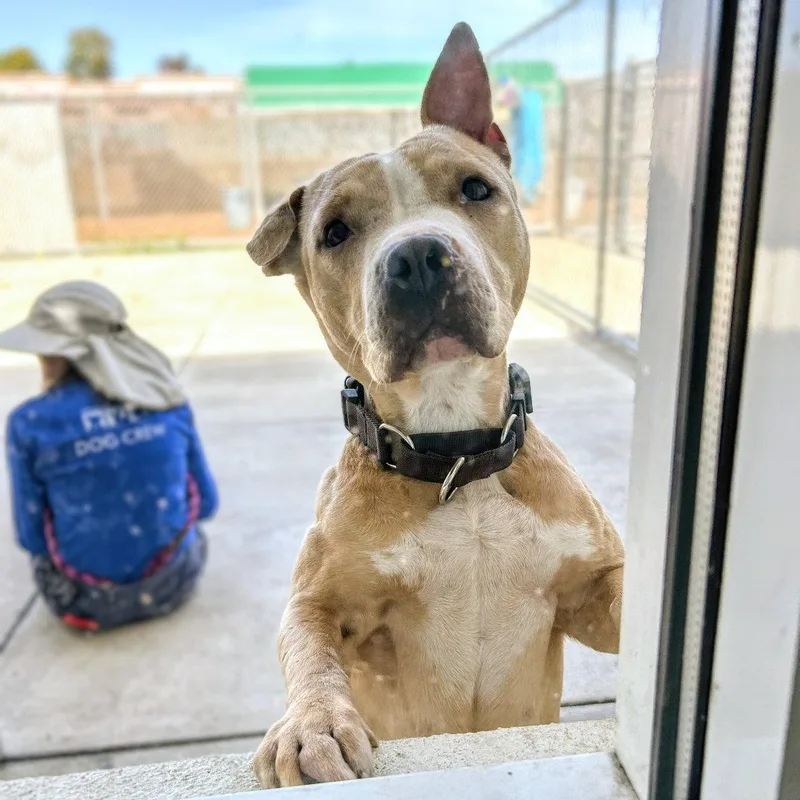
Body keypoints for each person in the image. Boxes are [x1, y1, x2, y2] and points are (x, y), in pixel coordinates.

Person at [1, 281, 218, 632]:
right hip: (173, 585)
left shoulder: (29, 422)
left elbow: (32, 538)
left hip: (82, 601)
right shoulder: (168, 402)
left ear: (52, 355)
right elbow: (205, 503)